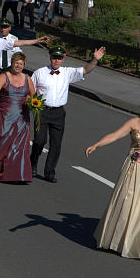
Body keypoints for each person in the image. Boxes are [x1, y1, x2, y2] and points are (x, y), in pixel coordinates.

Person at [85, 89, 140, 259]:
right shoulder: (134, 122)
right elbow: (115, 135)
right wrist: (97, 145)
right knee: (126, 202)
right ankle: (117, 241)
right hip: (133, 169)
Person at [29, 45, 106, 182]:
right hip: (42, 111)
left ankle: (49, 172)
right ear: (50, 57)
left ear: (63, 59)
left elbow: (85, 70)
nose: (56, 60)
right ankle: (32, 163)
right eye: (54, 57)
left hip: (58, 113)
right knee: (39, 141)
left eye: (59, 58)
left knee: (56, 144)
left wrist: (95, 60)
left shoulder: (67, 72)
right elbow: (30, 90)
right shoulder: (39, 73)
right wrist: (31, 104)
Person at [0, 52, 36, 183]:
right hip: (5, 116)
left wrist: (31, 103)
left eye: (21, 64)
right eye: (16, 63)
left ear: (24, 65)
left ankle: (16, 174)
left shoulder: (27, 78)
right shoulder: (4, 76)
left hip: (22, 118)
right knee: (3, 145)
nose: (18, 66)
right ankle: (0, 171)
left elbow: (33, 94)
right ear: (12, 63)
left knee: (18, 147)